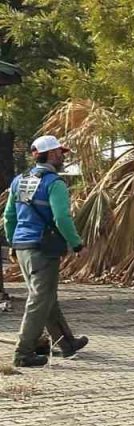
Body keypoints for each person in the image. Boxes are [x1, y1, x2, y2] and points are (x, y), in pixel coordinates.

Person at [3, 135, 89, 368]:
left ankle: (66, 343)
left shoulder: (19, 180)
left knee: (46, 297)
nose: (63, 157)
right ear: (51, 155)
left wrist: (14, 242)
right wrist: (77, 243)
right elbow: (62, 217)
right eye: (61, 152)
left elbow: (9, 216)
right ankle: (23, 353)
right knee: (39, 300)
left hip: (22, 246)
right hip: (43, 248)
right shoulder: (54, 183)